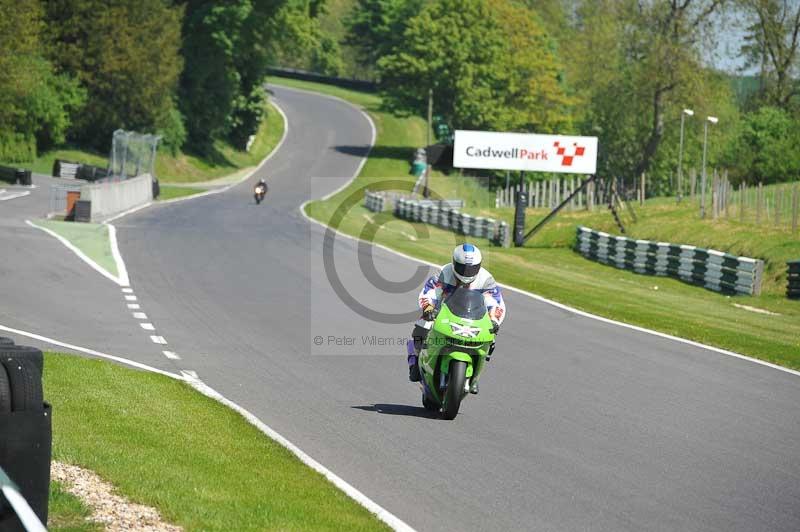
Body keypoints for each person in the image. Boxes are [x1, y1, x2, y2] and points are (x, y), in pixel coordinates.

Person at [406, 243, 506, 394]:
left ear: (479, 266)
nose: (466, 272)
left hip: (472, 318)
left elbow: (496, 302)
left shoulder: (486, 279)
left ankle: (475, 376)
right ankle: (415, 362)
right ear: (454, 263)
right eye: (462, 267)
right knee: (421, 327)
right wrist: (429, 309)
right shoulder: (444, 273)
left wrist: (494, 319)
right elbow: (429, 292)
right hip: (442, 314)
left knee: (491, 336)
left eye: (471, 269)